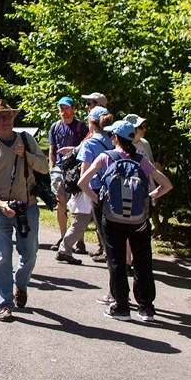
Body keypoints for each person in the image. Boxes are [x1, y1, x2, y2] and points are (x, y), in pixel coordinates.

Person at [79, 120, 173, 322]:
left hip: (112, 218)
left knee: (116, 261)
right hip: (139, 220)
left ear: (114, 138)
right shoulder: (141, 160)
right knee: (143, 261)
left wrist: (99, 199)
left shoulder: (106, 157)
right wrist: (151, 196)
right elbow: (166, 185)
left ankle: (121, 306)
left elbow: (82, 182)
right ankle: (146, 308)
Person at [0, 99, 48, 322]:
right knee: (2, 257)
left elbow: (45, 167)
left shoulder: (27, 140)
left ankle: (21, 284)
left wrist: (27, 155)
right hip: (0, 210)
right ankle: (4, 304)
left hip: (28, 207)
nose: (4, 120)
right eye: (0, 117)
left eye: (8, 116)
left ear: (13, 119)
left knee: (30, 254)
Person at [48, 96, 90, 254]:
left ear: (73, 109)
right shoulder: (56, 126)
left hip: (75, 170)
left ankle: (79, 240)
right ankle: (63, 236)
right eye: (61, 108)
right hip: (59, 169)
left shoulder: (81, 127)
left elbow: (85, 146)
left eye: (66, 108)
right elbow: (52, 148)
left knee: (77, 205)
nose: (63, 111)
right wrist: (52, 167)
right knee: (61, 203)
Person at [76, 106, 114, 264]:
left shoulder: (90, 143)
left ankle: (108, 254)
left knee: (102, 224)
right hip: (114, 186)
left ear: (92, 123)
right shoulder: (114, 140)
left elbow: (84, 173)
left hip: (97, 188)